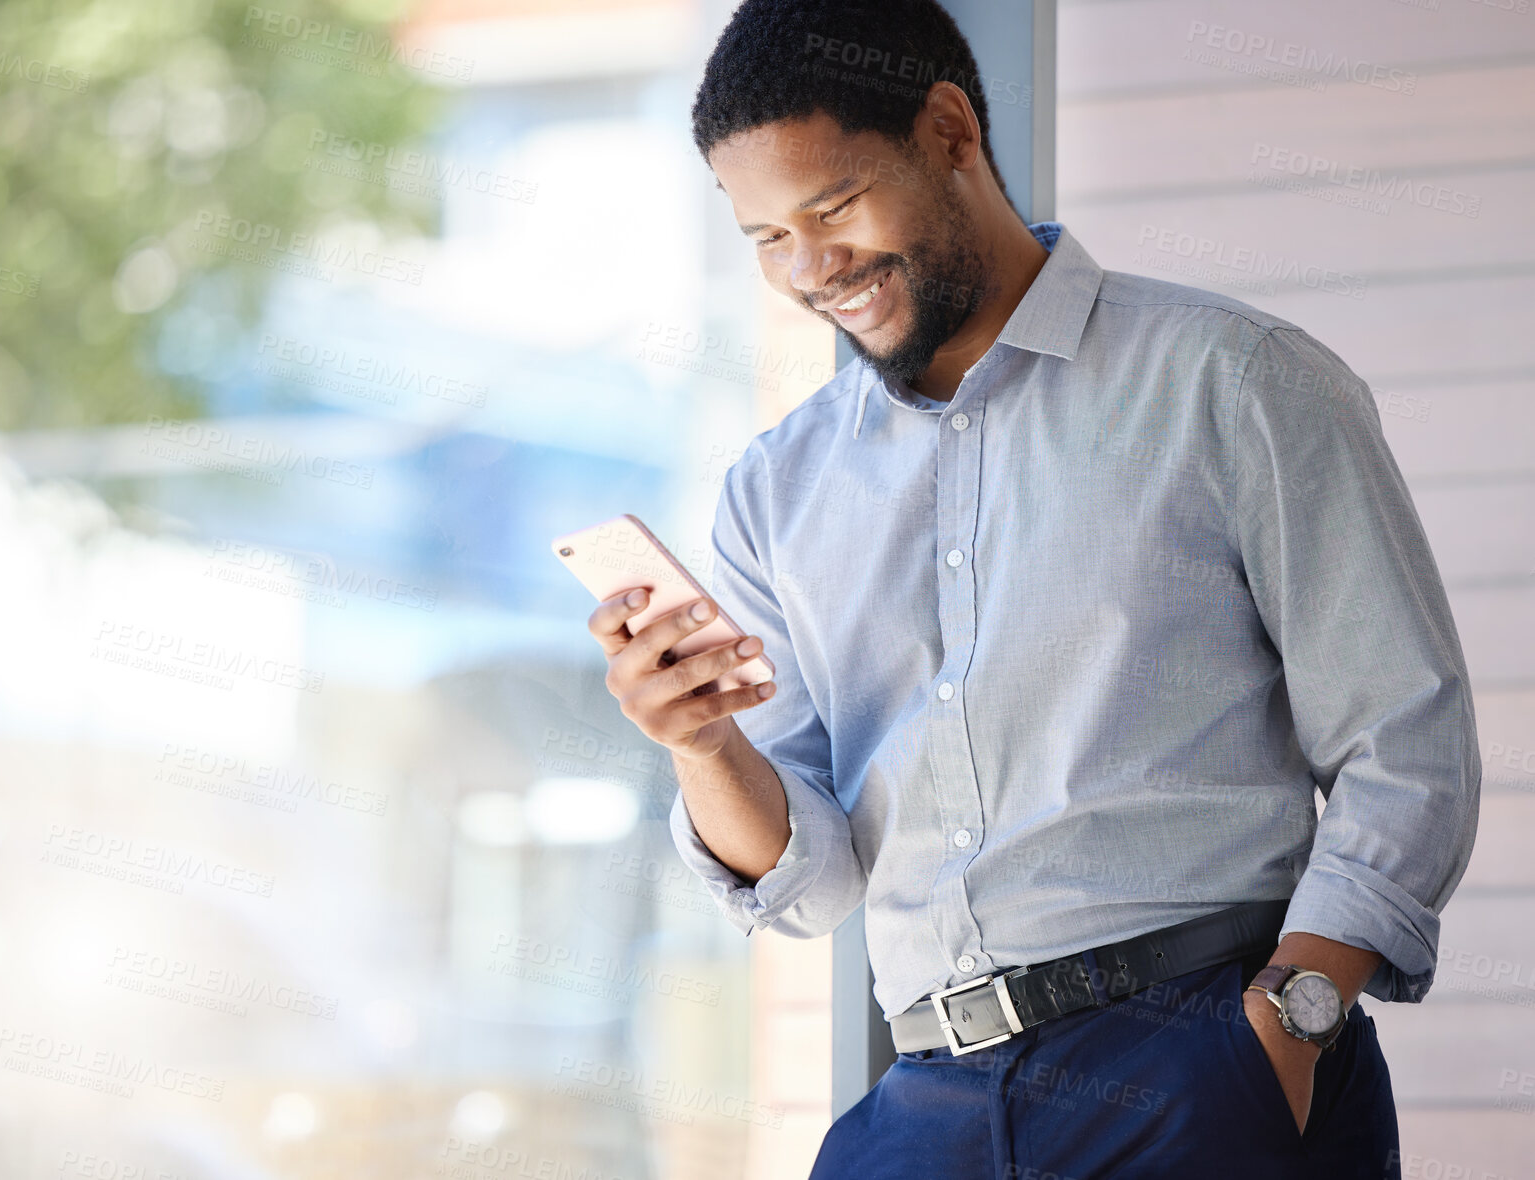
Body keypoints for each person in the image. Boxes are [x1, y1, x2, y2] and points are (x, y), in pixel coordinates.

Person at [583, 1, 1480, 1175]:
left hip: (1202, 1069)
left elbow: (1404, 743)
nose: (809, 270)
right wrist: (701, 745)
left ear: (949, 131)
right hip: (920, 1105)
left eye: (833, 208)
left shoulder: (1235, 383)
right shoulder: (773, 491)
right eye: (765, 237)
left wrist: (1288, 1031)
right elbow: (808, 885)